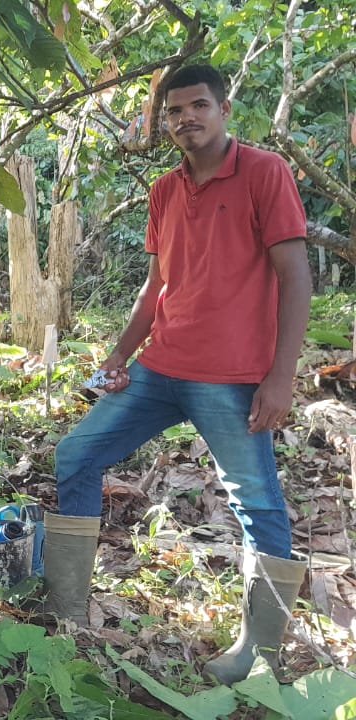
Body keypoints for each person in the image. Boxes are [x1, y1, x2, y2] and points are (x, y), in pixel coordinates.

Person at [50, 65, 311, 686]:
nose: (185, 119)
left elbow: (295, 275)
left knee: (256, 502)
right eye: (173, 111)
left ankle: (261, 654)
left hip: (232, 376)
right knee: (76, 456)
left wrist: (281, 379)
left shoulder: (265, 172)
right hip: (160, 367)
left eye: (198, 106)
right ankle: (68, 618)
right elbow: (157, 283)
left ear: (224, 108)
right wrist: (119, 355)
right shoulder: (166, 189)